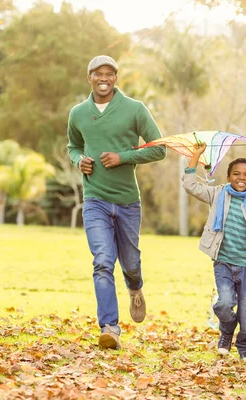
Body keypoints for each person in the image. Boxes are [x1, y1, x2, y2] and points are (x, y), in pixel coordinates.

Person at [67, 55, 167, 350]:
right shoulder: (78, 113)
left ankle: (135, 287)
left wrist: (123, 157)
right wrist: (79, 161)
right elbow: (73, 146)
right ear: (90, 77)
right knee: (102, 262)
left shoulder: (135, 109)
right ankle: (110, 327)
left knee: (131, 263)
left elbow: (159, 149)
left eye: (110, 73)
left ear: (116, 78)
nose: (104, 78)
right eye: (98, 73)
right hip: (94, 198)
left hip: (127, 202)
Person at [182, 142, 246, 361]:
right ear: (228, 177)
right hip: (223, 263)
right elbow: (189, 185)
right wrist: (195, 157)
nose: (241, 178)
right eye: (236, 174)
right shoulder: (217, 195)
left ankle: (245, 347)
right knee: (225, 304)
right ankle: (227, 331)